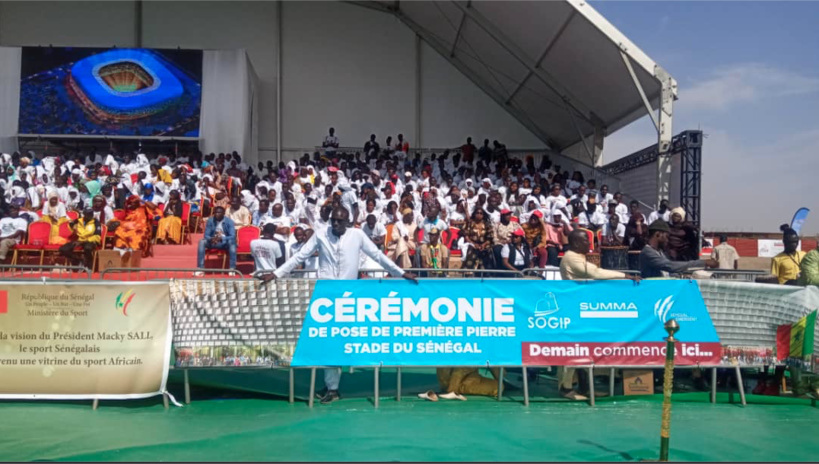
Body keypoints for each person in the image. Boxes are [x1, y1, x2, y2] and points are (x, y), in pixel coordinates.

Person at [259, 207, 418, 404]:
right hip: (325, 296)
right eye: (333, 220)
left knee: (340, 340)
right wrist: (276, 274)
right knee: (327, 340)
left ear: (348, 221)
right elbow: (299, 257)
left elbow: (378, 256)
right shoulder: (320, 234)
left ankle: (333, 386)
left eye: (339, 221)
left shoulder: (357, 235)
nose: (335, 224)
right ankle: (331, 386)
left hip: (348, 297)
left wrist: (400, 273)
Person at [558, 229, 630, 400]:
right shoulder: (571, 257)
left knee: (585, 348)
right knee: (574, 349)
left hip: (582, 308)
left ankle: (584, 387)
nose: (589, 244)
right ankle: (566, 387)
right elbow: (595, 273)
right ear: (576, 243)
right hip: (574, 309)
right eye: (585, 240)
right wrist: (624, 276)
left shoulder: (577, 256)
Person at [640, 220, 716, 278]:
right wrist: (703, 263)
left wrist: (681, 276)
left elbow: (668, 272)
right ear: (658, 234)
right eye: (666, 237)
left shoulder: (659, 252)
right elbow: (670, 266)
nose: (667, 240)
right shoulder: (648, 252)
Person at [197, 206, 237, 270]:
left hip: (224, 243)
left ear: (223, 213)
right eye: (215, 212)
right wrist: (211, 239)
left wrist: (221, 238)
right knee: (202, 242)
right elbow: (206, 235)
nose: (216, 214)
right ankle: (200, 268)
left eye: (219, 212)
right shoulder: (210, 220)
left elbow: (232, 236)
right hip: (213, 242)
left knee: (232, 242)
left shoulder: (229, 222)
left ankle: (232, 268)